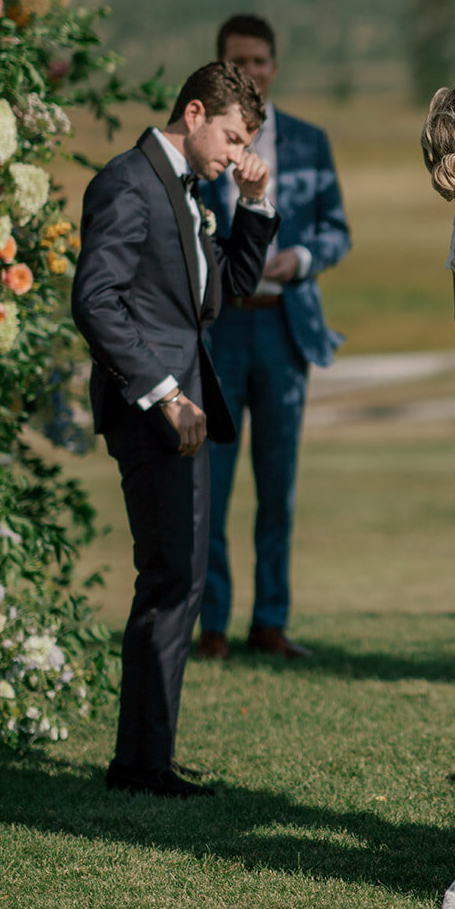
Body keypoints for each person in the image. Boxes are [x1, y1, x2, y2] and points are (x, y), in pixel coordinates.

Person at [72, 63, 278, 798]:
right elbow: (96, 302)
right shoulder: (129, 183)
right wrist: (164, 395)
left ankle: (146, 755)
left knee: (178, 577)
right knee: (170, 580)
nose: (233, 153)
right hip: (156, 410)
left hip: (183, 409)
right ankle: (139, 765)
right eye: (229, 137)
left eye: (243, 142)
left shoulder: (192, 190)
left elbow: (223, 292)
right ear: (193, 113)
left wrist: (252, 205)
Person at [195, 15, 351, 662]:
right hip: (219, 324)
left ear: (274, 67)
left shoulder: (310, 142)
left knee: (277, 483)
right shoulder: (203, 144)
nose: (250, 72)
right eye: (238, 62)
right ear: (220, 69)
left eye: (259, 61)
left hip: (286, 325)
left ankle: (270, 619)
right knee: (211, 478)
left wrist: (302, 260)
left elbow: (337, 231)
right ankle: (210, 624)